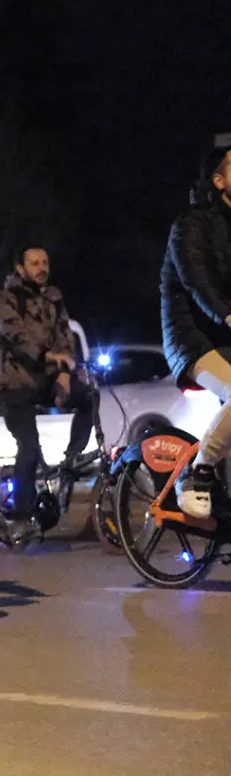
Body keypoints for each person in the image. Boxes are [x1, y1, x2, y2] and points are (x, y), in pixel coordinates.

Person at [0, 246, 95, 531]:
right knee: (28, 444)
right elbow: (16, 337)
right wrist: (49, 357)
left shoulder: (54, 298)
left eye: (45, 262)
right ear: (20, 269)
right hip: (13, 382)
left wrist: (64, 373)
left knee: (89, 396)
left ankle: (71, 460)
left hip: (45, 380)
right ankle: (21, 517)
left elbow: (65, 338)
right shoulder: (5, 300)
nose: (42, 268)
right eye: (34, 263)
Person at [162, 146, 231, 519]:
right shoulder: (191, 224)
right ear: (219, 181)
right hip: (192, 337)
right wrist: (227, 314)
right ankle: (198, 472)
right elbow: (196, 278)